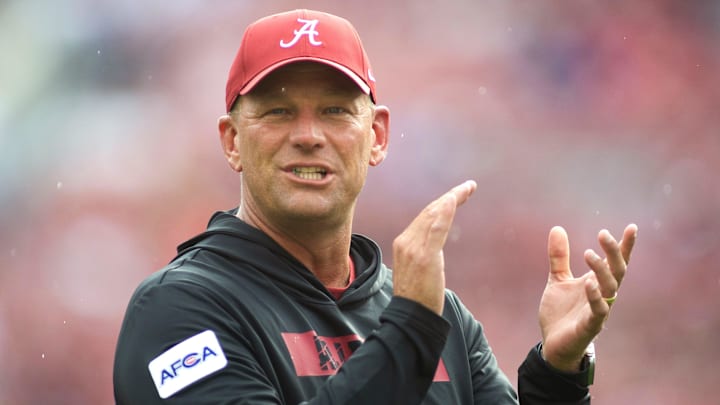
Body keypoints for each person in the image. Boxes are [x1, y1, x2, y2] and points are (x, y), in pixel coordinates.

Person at [113, 9, 638, 404]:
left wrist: (558, 372)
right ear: (231, 142)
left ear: (378, 136)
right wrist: (409, 329)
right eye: (277, 112)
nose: (308, 135)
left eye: (336, 111)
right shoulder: (178, 311)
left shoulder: (443, 317)